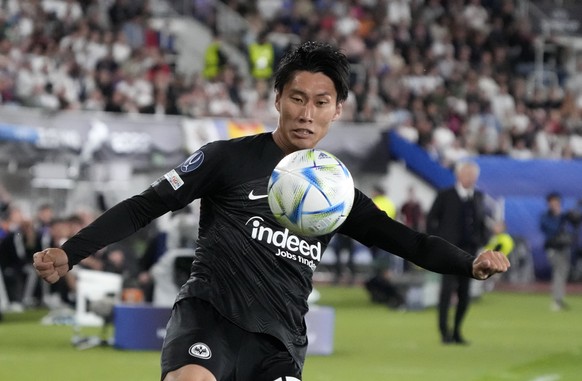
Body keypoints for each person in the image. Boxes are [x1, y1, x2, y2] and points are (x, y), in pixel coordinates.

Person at [33, 41, 509, 381]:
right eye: (297, 99)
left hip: (279, 342)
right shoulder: (227, 159)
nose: (306, 113)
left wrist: (468, 262)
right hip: (210, 317)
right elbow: (146, 206)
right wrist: (72, 251)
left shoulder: (337, 192)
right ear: (277, 99)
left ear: (337, 110)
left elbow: (409, 241)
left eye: (321, 103)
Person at [426, 160, 490, 345]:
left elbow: (481, 222)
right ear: (458, 176)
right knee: (446, 292)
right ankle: (444, 331)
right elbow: (431, 219)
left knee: (465, 293)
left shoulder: (478, 196)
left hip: (470, 253)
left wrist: (482, 240)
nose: (470, 178)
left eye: (473, 176)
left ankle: (457, 331)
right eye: (467, 174)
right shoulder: (445, 195)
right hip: (448, 252)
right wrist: (436, 242)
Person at [540, 192, 574, 311]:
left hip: (564, 248)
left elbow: (574, 224)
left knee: (562, 273)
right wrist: (560, 216)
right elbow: (552, 229)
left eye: (557, 202)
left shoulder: (564, 216)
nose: (555, 205)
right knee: (558, 273)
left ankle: (559, 298)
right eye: (553, 202)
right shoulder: (546, 217)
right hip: (553, 248)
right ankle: (556, 300)